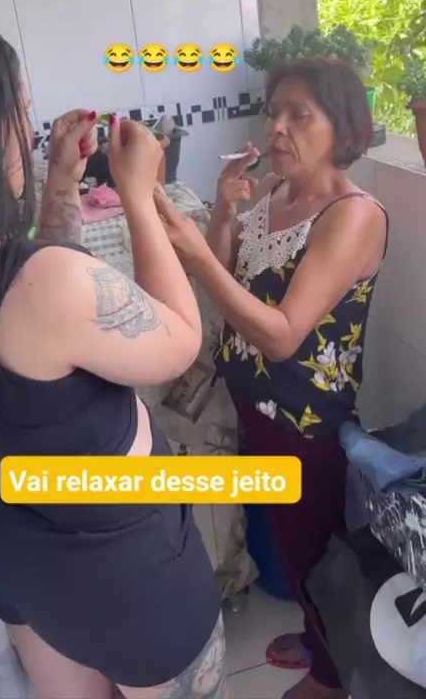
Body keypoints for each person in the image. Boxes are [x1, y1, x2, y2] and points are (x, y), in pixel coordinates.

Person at [0, 10, 228, 699]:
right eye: (22, 111)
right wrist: (138, 192)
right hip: (117, 569)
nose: (30, 130)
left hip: (6, 543)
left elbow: (39, 303)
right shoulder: (40, 286)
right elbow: (178, 339)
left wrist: (62, 183)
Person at [154, 56, 389, 699]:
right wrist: (223, 214)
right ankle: (318, 640)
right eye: (274, 112)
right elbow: (227, 272)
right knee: (288, 540)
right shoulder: (274, 194)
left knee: (315, 552)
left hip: (304, 422)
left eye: (299, 115)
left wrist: (198, 254)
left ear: (342, 128)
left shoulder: (352, 215)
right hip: (256, 407)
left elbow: (284, 335)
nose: (277, 127)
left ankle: (331, 678)